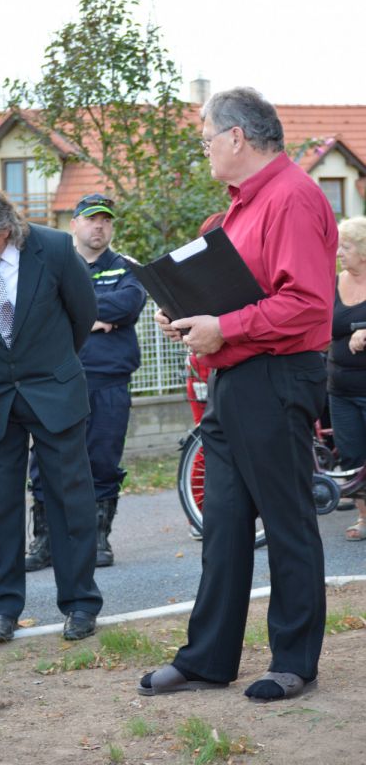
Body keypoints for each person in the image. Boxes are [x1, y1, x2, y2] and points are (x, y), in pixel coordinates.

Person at [139, 87, 337, 702]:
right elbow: (238, 292)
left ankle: (294, 661)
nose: (203, 150)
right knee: (223, 525)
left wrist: (222, 326)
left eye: (205, 140)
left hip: (275, 376)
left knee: (287, 521)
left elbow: (307, 303)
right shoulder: (237, 209)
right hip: (234, 379)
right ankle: (207, 658)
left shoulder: (291, 197)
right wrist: (187, 316)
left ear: (236, 136)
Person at [0, 188, 103, 643]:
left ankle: (80, 604)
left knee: (69, 499)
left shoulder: (54, 248)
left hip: (54, 392)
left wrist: (49, 364)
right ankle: (2, 609)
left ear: (4, 232)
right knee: (0, 505)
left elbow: (82, 313)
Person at [26, 194, 147, 569]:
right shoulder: (54, 265)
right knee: (45, 460)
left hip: (108, 382)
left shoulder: (125, 268)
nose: (100, 226)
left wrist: (75, 311)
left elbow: (130, 303)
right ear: (74, 224)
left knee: (102, 460)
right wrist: (97, 318)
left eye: (106, 220)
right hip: (56, 381)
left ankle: (97, 539)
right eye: (92, 219)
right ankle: (45, 541)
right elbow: (39, 307)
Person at [327, 216, 366, 541]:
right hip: (339, 389)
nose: (339, 253)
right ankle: (364, 517)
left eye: (346, 247)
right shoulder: (334, 282)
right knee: (352, 456)